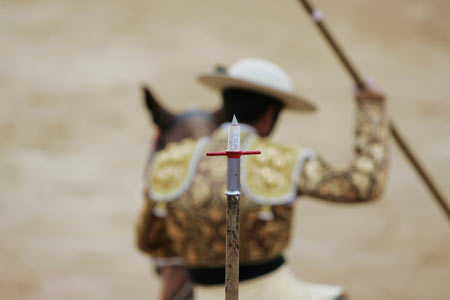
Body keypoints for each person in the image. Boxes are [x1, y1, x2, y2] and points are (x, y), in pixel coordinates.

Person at [136, 58, 388, 300]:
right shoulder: (282, 161)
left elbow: (150, 241)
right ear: (270, 114)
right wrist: (371, 110)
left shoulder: (171, 162)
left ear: (224, 105)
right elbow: (364, 184)